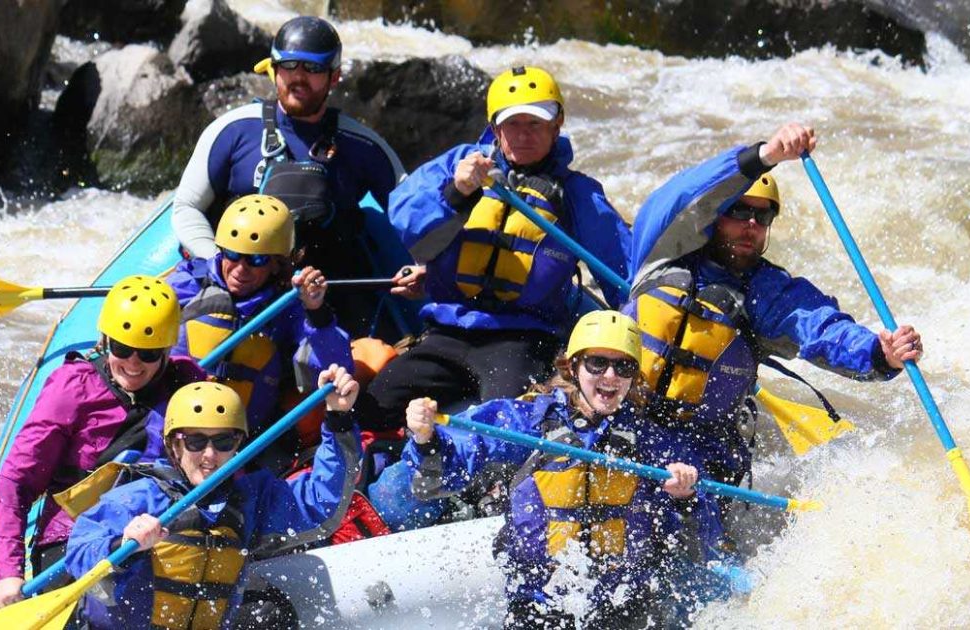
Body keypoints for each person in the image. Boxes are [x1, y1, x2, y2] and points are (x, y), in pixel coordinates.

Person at [625, 122, 924, 491]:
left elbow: (820, 327)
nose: (751, 225)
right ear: (715, 215)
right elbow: (680, 195)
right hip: (622, 419)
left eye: (762, 217)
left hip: (702, 451)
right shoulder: (662, 255)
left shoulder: (766, 293)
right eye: (739, 211)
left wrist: (880, 353)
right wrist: (764, 157)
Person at [356, 65, 633, 434]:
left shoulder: (577, 194)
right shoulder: (459, 165)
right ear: (495, 127)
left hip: (522, 339)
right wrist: (456, 192)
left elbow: (624, 274)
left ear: (557, 125)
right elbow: (405, 221)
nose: (523, 135)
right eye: (513, 124)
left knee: (510, 427)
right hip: (447, 332)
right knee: (372, 407)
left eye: (535, 124)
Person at [402, 311, 717, 628]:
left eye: (624, 366)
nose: (610, 376)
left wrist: (684, 495)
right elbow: (450, 467)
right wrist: (426, 437)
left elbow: (699, 526)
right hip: (539, 604)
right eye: (597, 363)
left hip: (625, 605)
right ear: (573, 366)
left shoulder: (649, 439)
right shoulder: (529, 420)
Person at [64, 366, 363, 629]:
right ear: (174, 445)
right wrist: (123, 546)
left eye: (223, 441)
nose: (210, 455)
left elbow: (319, 502)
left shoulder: (251, 499)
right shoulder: (136, 498)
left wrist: (337, 419)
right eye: (196, 440)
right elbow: (78, 553)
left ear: (238, 445)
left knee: (272, 612)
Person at [170, 15, 407, 338]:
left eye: (312, 69)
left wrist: (422, 268)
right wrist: (222, 263)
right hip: (237, 292)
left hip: (323, 298)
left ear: (334, 76)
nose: (298, 78)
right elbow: (186, 206)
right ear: (274, 69)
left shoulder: (362, 146)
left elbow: (414, 213)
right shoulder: (233, 130)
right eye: (290, 66)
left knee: (374, 359)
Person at [0, 275, 206, 609]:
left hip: (163, 528)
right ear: (105, 341)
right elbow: (16, 483)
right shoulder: (72, 387)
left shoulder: (187, 382)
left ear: (165, 350)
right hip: (78, 539)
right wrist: (7, 573)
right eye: (122, 348)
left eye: (147, 354)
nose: (133, 363)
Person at [167, 194, 353, 461]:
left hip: (243, 439)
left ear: (277, 263)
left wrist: (317, 311)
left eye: (256, 260)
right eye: (233, 254)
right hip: (176, 422)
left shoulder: (287, 307)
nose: (240, 269)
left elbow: (337, 367)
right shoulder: (189, 281)